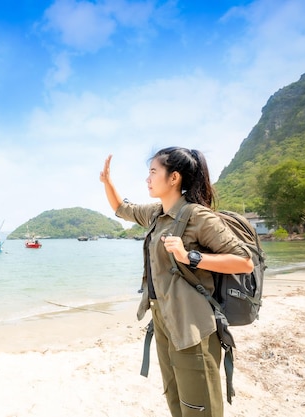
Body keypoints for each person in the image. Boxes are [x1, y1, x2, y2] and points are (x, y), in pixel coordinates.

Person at [100, 148, 253, 417]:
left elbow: (244, 262)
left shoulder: (198, 216)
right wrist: (107, 183)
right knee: (175, 399)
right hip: (162, 319)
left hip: (192, 324)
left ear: (174, 178)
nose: (147, 179)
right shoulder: (156, 214)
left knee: (199, 406)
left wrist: (189, 256)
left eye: (153, 172)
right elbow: (121, 209)